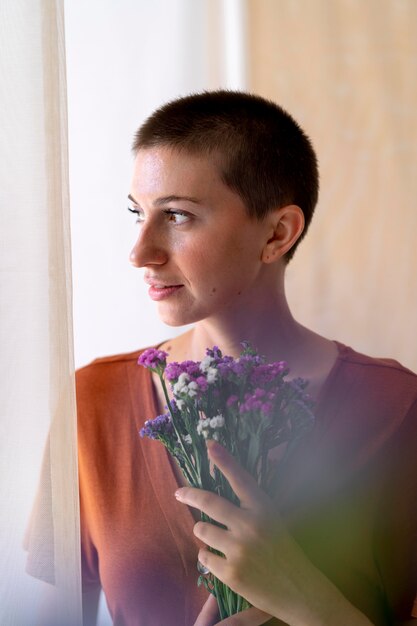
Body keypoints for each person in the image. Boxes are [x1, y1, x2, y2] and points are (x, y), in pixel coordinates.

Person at [29, 91, 417, 625]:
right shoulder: (92, 403)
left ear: (277, 233)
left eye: (178, 216)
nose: (140, 252)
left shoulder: (398, 409)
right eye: (137, 213)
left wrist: (307, 599)